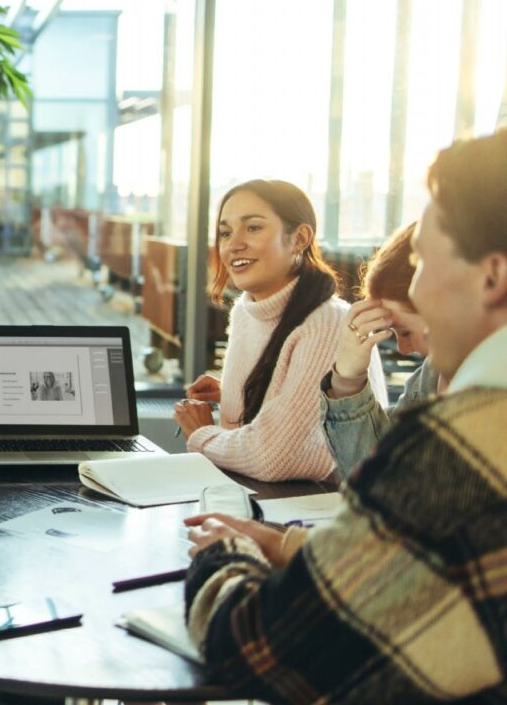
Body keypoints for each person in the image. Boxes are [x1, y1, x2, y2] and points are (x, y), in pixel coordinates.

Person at [183, 130, 507, 702]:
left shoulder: (465, 444)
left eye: (425, 262)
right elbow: (422, 561)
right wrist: (283, 545)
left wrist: (223, 552)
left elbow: (259, 648)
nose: (416, 296)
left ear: (493, 277)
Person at [173, 179, 386, 481]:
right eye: (225, 232)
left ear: (299, 238)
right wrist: (239, 391)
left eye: (253, 228)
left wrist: (200, 433)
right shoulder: (246, 312)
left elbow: (273, 457)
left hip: (321, 512)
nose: (234, 244)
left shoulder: (327, 324)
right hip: (262, 500)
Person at [321, 221, 446, 476]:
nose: (403, 349)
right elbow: (372, 474)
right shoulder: (432, 375)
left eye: (406, 332)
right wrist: (348, 379)